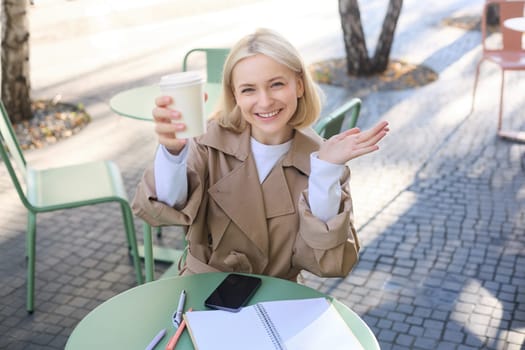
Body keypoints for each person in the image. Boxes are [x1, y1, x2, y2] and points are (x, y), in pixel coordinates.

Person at [132, 28, 389, 281]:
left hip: (276, 298)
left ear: (299, 85)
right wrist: (172, 151)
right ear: (235, 96)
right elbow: (163, 210)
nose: (265, 101)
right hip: (203, 292)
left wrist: (325, 173)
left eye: (276, 84)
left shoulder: (323, 161)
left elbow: (330, 264)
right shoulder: (206, 143)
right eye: (248, 89)